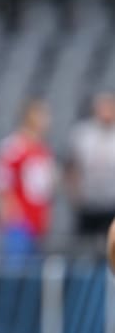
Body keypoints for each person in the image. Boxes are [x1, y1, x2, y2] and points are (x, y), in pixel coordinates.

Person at [0, 98, 56, 262]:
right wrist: (12, 213)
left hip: (37, 223)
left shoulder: (42, 149)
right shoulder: (14, 146)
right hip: (20, 225)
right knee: (17, 275)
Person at [63, 91, 115, 239]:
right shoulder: (82, 134)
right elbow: (71, 167)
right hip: (88, 203)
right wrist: (75, 196)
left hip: (112, 203)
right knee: (85, 246)